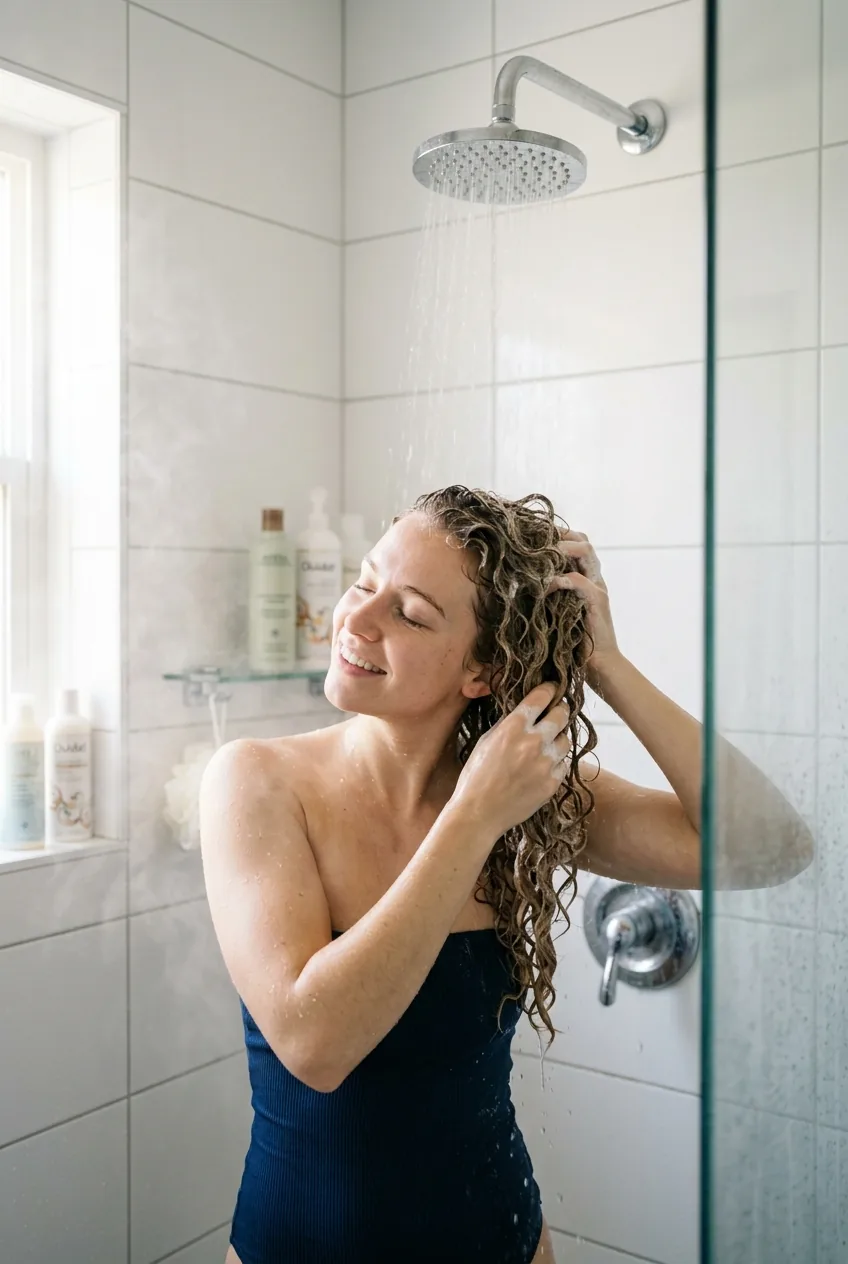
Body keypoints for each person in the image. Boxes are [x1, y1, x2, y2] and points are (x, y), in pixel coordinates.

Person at [200, 486, 812, 1264]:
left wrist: (607, 665)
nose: (354, 620)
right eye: (364, 581)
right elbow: (315, 1044)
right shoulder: (258, 781)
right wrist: (473, 816)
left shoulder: (520, 791)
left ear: (482, 669)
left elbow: (769, 846)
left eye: (411, 613)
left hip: (505, 1242)